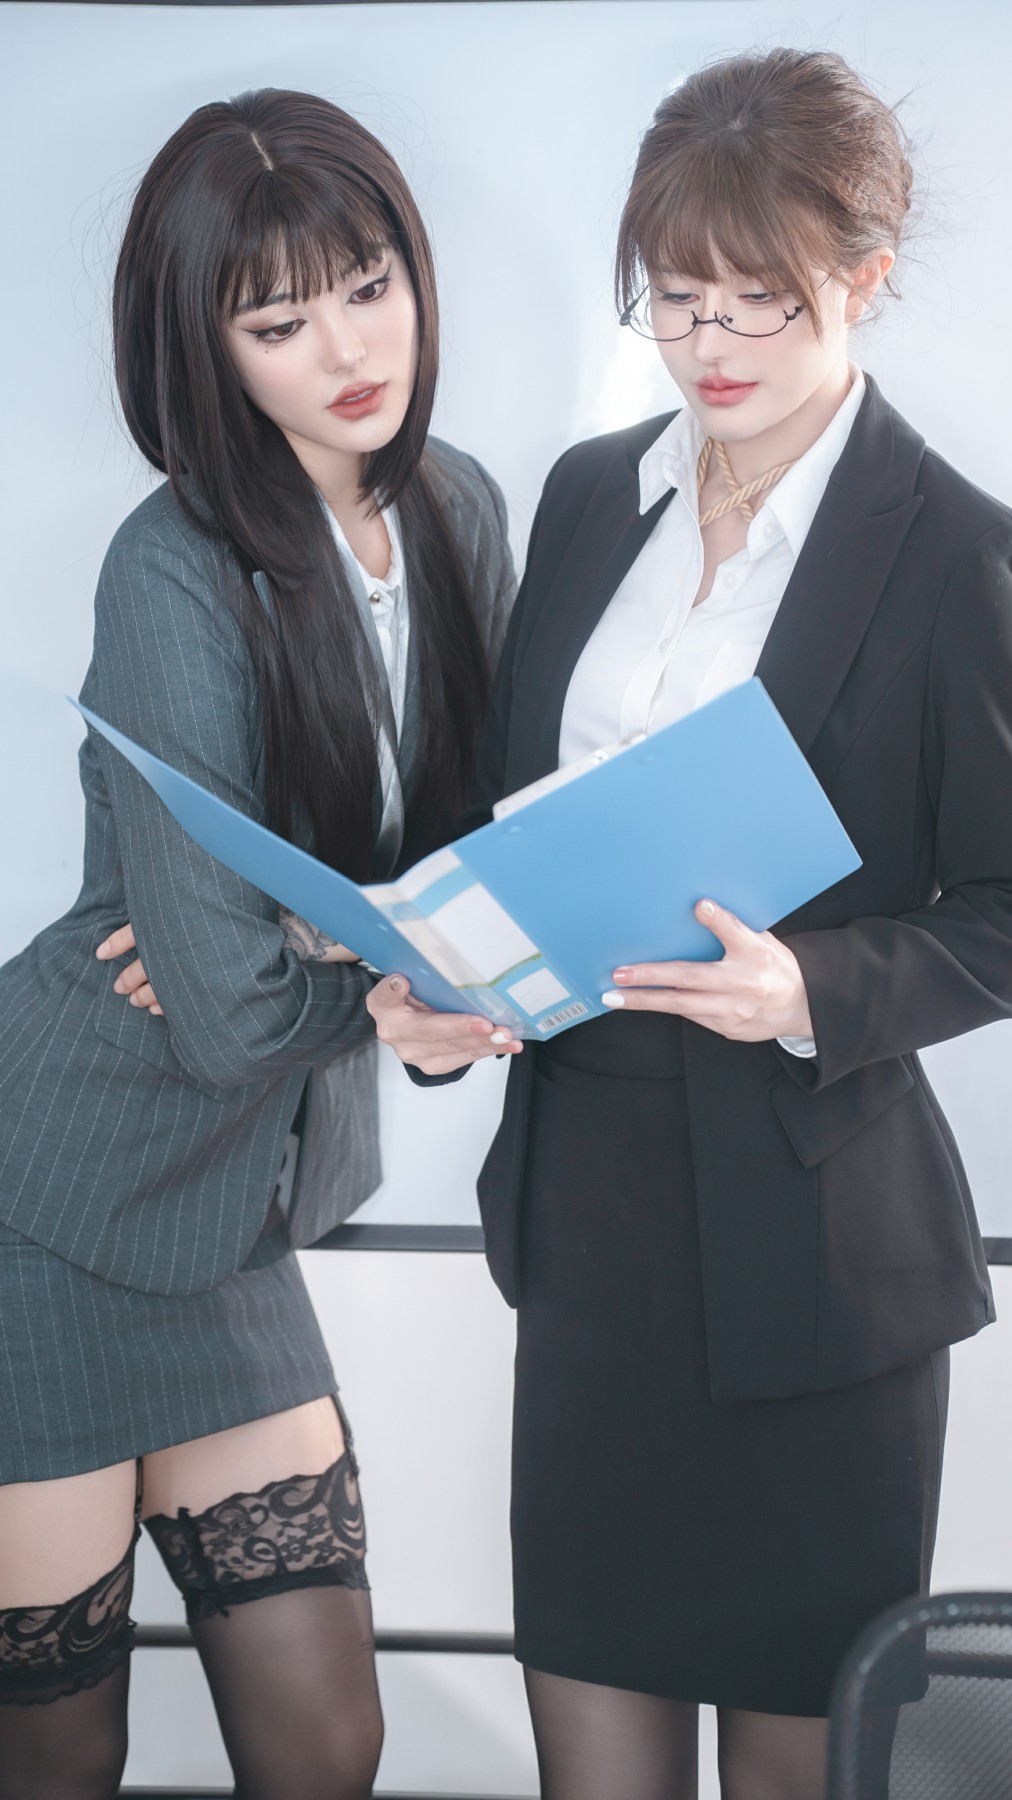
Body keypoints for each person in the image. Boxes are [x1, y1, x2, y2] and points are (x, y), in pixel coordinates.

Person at [368, 47, 1012, 1800]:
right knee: (595, 1760)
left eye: (760, 300)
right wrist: (440, 987)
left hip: (818, 1265)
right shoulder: (591, 495)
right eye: (676, 297)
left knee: (799, 1766)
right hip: (593, 1233)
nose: (710, 344)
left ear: (863, 279)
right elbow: (505, 817)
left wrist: (813, 986)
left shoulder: (955, 552)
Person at [0, 87, 513, 1799]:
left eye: (369, 288)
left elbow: (466, 869)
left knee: (327, 1743)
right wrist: (350, 975)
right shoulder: (172, 567)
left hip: (227, 1217)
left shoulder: (460, 512)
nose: (349, 351)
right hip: (49, 1197)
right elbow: (224, 1011)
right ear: (204, 350)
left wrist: (309, 944)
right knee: (58, 1754)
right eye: (279, 324)